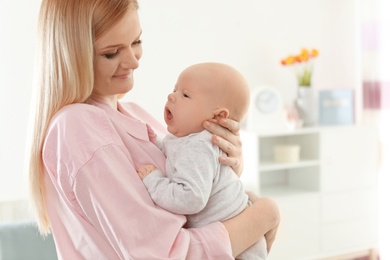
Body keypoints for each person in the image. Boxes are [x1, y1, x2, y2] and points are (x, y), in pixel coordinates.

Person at [26, 0, 280, 259]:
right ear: (71, 55)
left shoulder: (138, 115)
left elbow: (194, 197)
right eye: (111, 53)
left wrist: (226, 162)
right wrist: (263, 216)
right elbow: (164, 254)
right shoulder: (77, 128)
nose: (133, 62)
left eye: (136, 42)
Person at [136, 62, 268, 260]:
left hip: (241, 250)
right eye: (175, 89)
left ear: (217, 116)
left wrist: (153, 182)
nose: (171, 96)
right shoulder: (189, 140)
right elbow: (177, 158)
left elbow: (191, 198)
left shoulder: (199, 147)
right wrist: (156, 142)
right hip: (235, 240)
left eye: (185, 95)